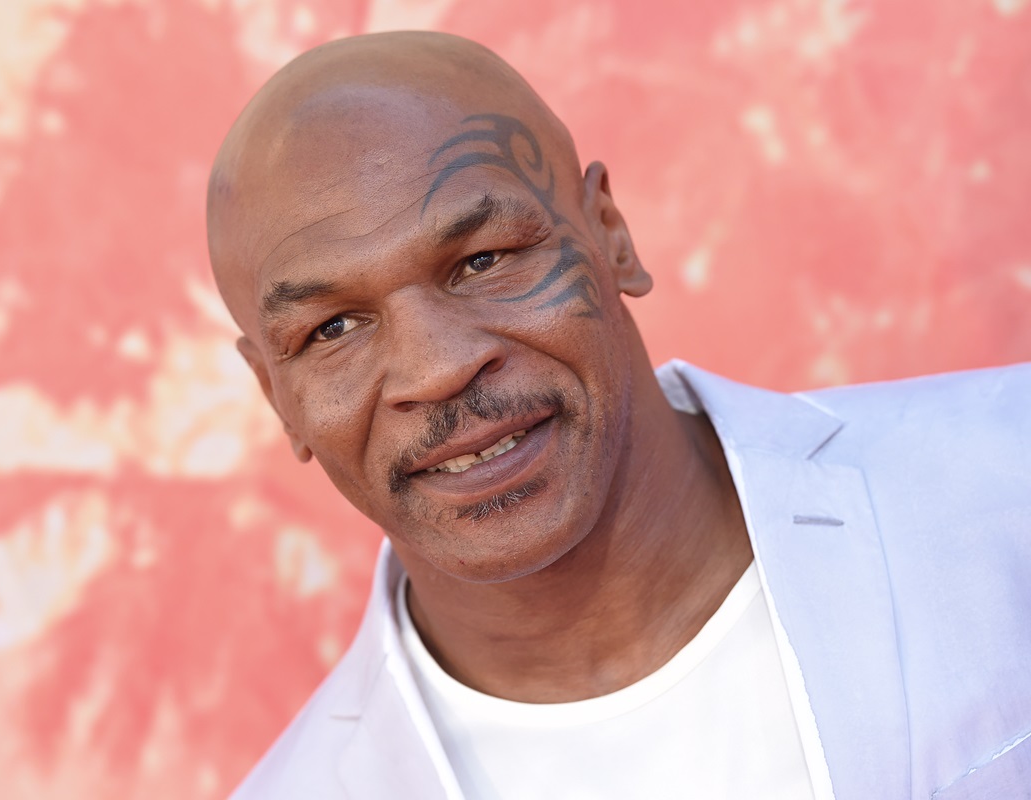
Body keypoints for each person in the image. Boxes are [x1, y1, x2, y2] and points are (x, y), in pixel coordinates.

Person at [206, 31, 1031, 800]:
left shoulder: (1005, 482)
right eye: (332, 329)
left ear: (611, 233)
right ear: (278, 397)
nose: (438, 367)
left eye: (482, 260)